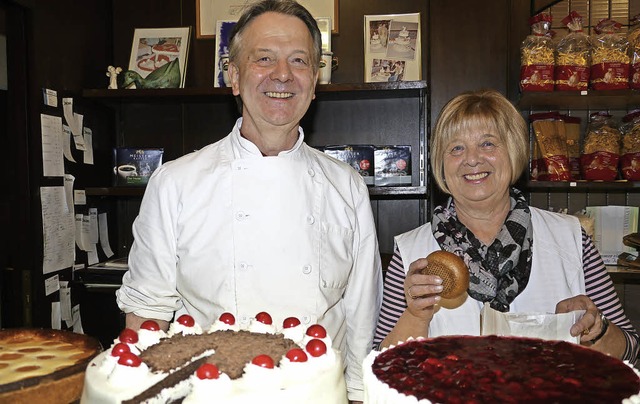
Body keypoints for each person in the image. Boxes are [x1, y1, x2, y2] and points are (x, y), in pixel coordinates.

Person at [115, 1, 383, 402]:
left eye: (299, 60)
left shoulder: (346, 187)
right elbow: (146, 315)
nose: (282, 75)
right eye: (264, 58)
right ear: (234, 77)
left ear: (314, 82)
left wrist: (360, 396)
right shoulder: (176, 182)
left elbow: (363, 315)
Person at [373, 89, 640, 365]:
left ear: (513, 151)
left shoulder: (570, 238)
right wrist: (416, 316)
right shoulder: (411, 252)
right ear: (441, 163)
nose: (472, 159)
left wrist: (597, 330)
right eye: (456, 148)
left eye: (488, 144)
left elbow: (631, 351)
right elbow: (382, 365)